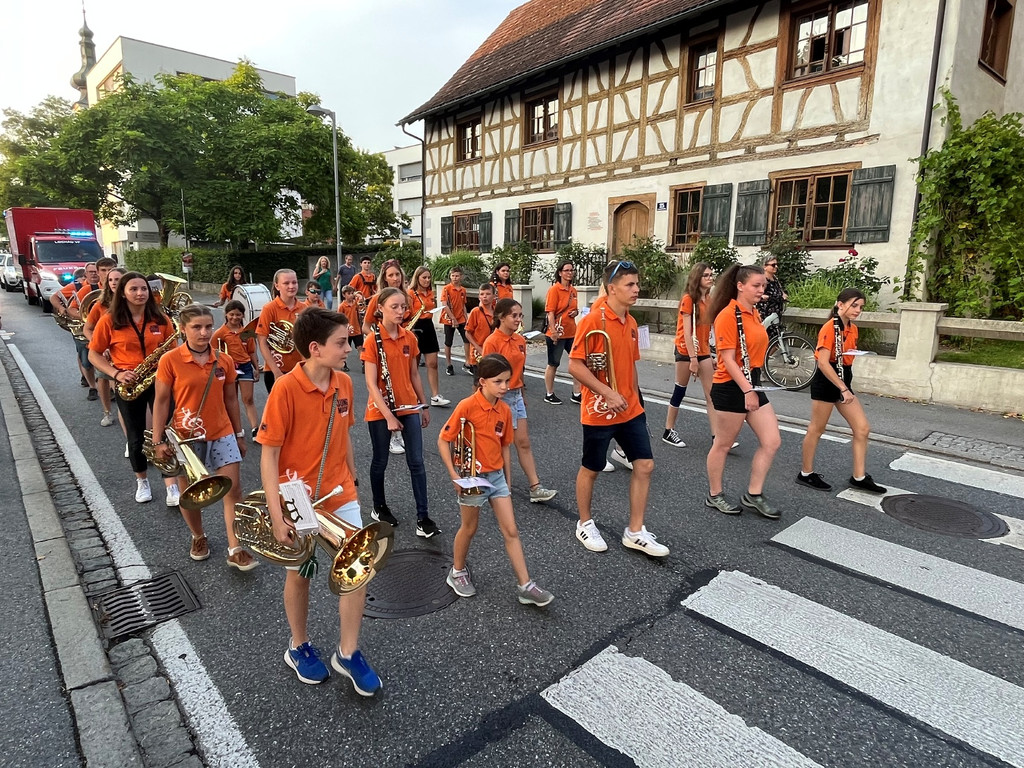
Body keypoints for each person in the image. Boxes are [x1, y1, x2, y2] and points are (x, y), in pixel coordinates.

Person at [257, 306, 382, 694]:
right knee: (301, 574)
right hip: (298, 496)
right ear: (315, 348)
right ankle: (298, 646)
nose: (349, 348)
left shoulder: (344, 383)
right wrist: (278, 516)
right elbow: (269, 454)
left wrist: (353, 480)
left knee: (357, 571)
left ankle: (348, 652)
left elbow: (343, 436)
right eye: (341, 343)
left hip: (340, 491)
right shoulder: (285, 388)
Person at [568, 260, 669, 557]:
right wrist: (607, 393)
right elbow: (574, 364)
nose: (636, 289)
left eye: (637, 284)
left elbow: (631, 366)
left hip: (630, 409)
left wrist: (637, 398)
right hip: (599, 410)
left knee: (645, 465)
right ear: (612, 288)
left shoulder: (632, 321)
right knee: (592, 467)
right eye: (630, 285)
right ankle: (584, 523)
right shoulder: (592, 320)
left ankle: (635, 531)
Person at [438, 354, 555, 606]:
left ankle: (526, 585)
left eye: (507, 381)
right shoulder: (466, 406)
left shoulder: (504, 409)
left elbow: (505, 448)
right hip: (472, 478)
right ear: (482, 382)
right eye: (499, 381)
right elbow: (443, 440)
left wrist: (508, 482)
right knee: (469, 528)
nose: (505, 387)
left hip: (497, 477)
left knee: (511, 531)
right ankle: (457, 571)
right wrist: (454, 476)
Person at [152, 304, 257, 569]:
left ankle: (236, 548)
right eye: (196, 327)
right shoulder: (170, 360)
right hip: (186, 438)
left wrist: (239, 434)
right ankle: (198, 536)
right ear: (183, 329)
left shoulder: (224, 360)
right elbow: (162, 401)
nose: (204, 332)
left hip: (222, 433)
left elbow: (231, 399)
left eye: (208, 326)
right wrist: (157, 440)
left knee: (234, 490)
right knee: (190, 494)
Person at [87, 271, 179, 504]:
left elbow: (173, 350)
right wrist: (116, 373)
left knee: (165, 432)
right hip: (129, 382)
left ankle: (171, 485)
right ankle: (142, 481)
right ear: (123, 294)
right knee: (136, 437)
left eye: (144, 289)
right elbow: (94, 353)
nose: (140, 293)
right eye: (134, 289)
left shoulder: (161, 319)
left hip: (159, 379)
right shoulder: (109, 320)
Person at [705, 264, 783, 519]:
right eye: (756, 286)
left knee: (772, 441)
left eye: (763, 286)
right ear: (740, 286)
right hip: (731, 386)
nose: (761, 290)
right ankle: (715, 495)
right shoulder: (728, 315)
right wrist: (748, 390)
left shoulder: (754, 313)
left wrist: (753, 388)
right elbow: (727, 359)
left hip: (753, 380)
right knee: (723, 444)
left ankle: (753, 493)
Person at [361, 287, 439, 537]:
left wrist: (423, 404)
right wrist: (388, 416)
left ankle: (423, 517)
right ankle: (379, 506)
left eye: (403, 307)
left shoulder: (409, 338)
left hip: (408, 406)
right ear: (380, 308)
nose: (400, 311)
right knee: (380, 460)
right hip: (381, 409)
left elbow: (414, 373)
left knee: (416, 462)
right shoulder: (373, 340)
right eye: (394, 307)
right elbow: (371, 384)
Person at [798, 288, 887, 494]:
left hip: (843, 377)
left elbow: (846, 356)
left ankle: (859, 476)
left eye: (861, 307)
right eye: (854, 305)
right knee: (816, 429)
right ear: (840, 304)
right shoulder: (830, 328)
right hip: (828, 380)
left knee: (862, 428)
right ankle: (806, 473)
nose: (858, 310)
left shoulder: (852, 329)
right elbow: (822, 362)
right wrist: (843, 388)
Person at [483, 299, 558, 502]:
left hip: (515, 394)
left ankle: (535, 487)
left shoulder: (520, 340)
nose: (518, 319)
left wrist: (522, 394)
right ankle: (501, 486)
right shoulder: (492, 341)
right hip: (498, 397)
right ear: (501, 317)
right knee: (500, 444)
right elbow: (485, 376)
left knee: (523, 442)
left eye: (520, 315)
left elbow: (520, 371)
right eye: (514, 316)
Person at [663, 261, 721, 447]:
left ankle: (716, 436)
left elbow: (710, 330)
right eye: (706, 275)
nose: (710, 278)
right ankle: (668, 430)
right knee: (680, 389)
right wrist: (693, 359)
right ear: (698, 278)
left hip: (702, 350)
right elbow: (687, 332)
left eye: (711, 275)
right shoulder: (689, 299)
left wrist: (712, 354)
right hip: (685, 349)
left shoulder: (709, 300)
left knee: (712, 394)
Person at [213, 299, 261, 439]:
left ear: (242, 315)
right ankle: (234, 428)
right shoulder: (220, 333)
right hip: (228, 368)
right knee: (230, 399)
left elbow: (252, 351)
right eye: (232, 314)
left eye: (238, 315)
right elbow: (213, 353)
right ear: (226, 314)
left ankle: (255, 429)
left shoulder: (247, 332)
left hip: (245, 366)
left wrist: (256, 368)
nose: (235, 317)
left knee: (248, 399)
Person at [85, 267, 125, 428]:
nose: (114, 282)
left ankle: (125, 415)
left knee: (121, 387)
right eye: (111, 280)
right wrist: (100, 346)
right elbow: (87, 328)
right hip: (105, 352)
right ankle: (107, 412)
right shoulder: (100, 304)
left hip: (122, 353)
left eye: (118, 279)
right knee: (103, 378)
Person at [408, 265, 451, 407]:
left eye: (428, 277)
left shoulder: (430, 293)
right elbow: (407, 312)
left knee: (433, 363)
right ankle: (412, 394)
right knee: (413, 364)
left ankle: (435, 396)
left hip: (428, 326)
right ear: (417, 278)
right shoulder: (411, 293)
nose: (427, 280)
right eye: (424, 277)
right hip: (415, 327)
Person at [256, 269, 304, 394]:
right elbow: (262, 342)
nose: (291, 286)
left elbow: (308, 341)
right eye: (286, 283)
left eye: (294, 282)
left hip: (300, 369)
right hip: (275, 369)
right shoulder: (269, 309)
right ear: (277, 286)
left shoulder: (304, 308)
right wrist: (276, 372)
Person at [543, 259, 582, 405]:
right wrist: (553, 331)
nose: (570, 273)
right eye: (567, 270)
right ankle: (549, 393)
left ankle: (577, 393)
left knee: (578, 361)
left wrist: (575, 312)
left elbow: (574, 309)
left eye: (572, 270)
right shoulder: (554, 290)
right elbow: (550, 313)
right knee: (553, 363)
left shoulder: (573, 291)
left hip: (572, 332)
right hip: (557, 332)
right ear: (560, 273)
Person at [361, 259, 411, 337]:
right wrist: (379, 340)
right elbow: (365, 327)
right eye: (391, 275)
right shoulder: (377, 298)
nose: (395, 278)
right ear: (385, 278)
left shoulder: (407, 297)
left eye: (397, 274)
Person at [440, 267, 469, 376]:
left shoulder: (463, 290)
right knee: (448, 342)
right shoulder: (446, 289)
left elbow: (463, 305)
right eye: (453, 276)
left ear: (461, 276)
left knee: (467, 339)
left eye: (457, 276)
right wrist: (453, 318)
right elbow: (444, 305)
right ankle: (449, 364)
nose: (455, 278)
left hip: (461, 318)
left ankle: (468, 363)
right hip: (449, 319)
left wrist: (466, 318)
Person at [464, 283, 494, 374]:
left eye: (488, 294)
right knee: (479, 382)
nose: (484, 297)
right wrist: (477, 348)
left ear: (494, 296)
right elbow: (467, 333)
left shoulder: (497, 312)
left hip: (493, 350)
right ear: (479, 297)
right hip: (479, 352)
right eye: (482, 294)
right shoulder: (475, 312)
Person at [756, 255, 787, 321]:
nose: (776, 267)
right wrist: (764, 297)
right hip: (766, 314)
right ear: (765, 267)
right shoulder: (763, 280)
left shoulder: (775, 278)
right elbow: (756, 294)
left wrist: (783, 295)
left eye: (776, 264)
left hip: (776, 313)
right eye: (773, 265)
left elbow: (780, 290)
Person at [338, 286, 363, 357]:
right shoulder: (342, 306)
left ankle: (363, 363)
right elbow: (339, 319)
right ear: (344, 295)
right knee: (344, 349)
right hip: (346, 331)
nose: (351, 295)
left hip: (357, 329)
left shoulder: (356, 304)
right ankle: (343, 364)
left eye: (352, 293)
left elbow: (361, 311)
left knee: (360, 347)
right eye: (348, 293)